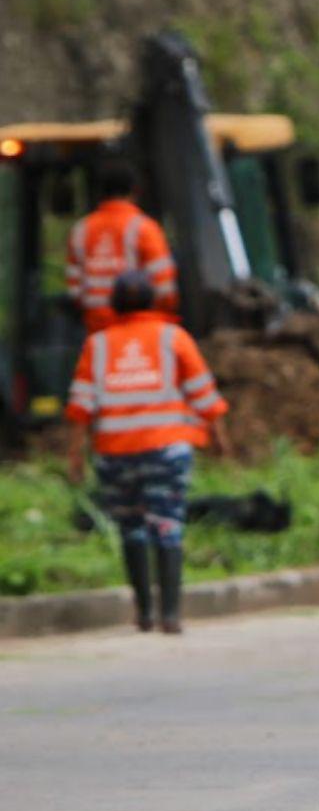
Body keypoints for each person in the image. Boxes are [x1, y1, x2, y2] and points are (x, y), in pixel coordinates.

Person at [65, 270, 231, 633]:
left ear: (114, 303)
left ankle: (143, 613)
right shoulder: (173, 338)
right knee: (167, 524)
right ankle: (170, 614)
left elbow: (80, 409)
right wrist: (219, 439)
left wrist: (75, 457)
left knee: (131, 528)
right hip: (167, 451)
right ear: (152, 300)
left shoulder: (99, 345)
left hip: (115, 453)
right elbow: (204, 394)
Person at [66, 159, 178, 333]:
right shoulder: (144, 229)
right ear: (134, 190)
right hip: (140, 332)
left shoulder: (81, 230)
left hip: (97, 330)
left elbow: (74, 291)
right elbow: (165, 291)